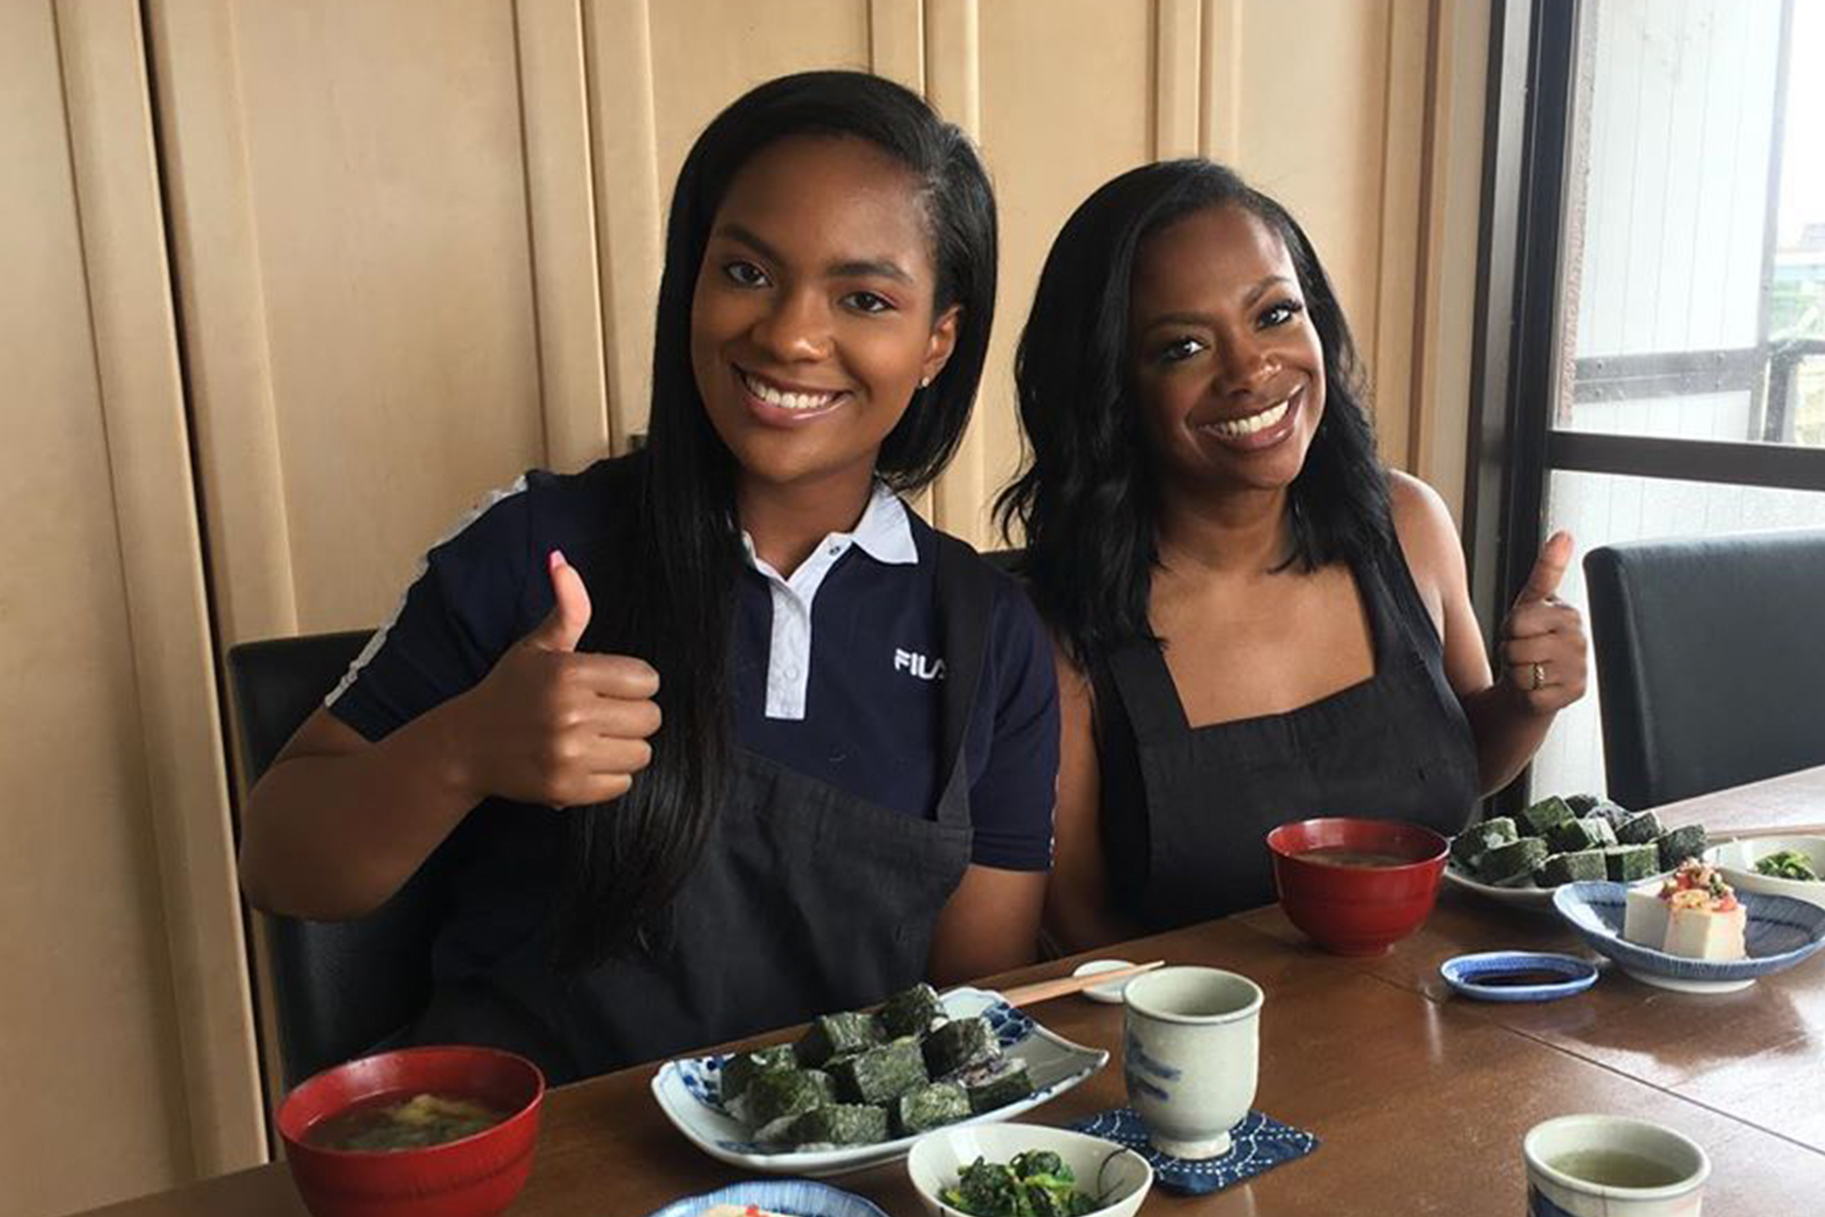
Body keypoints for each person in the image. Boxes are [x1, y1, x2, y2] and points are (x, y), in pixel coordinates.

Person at [239, 71, 1059, 1082]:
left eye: (863, 297)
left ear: (937, 338)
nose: (791, 335)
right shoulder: (541, 542)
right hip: (538, 1161)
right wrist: (466, 746)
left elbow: (970, 1014)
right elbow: (280, 856)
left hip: (819, 1184)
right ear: (692, 277)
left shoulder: (984, 629)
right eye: (748, 272)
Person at [997, 160, 1586, 951]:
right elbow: (1075, 922)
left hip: (1434, 1018)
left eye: (1274, 314)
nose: (1249, 371)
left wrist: (1527, 699)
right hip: (1203, 1052)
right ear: (1110, 389)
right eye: (1181, 347)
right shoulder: (1051, 623)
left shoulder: (1406, 522)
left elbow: (1460, 764)